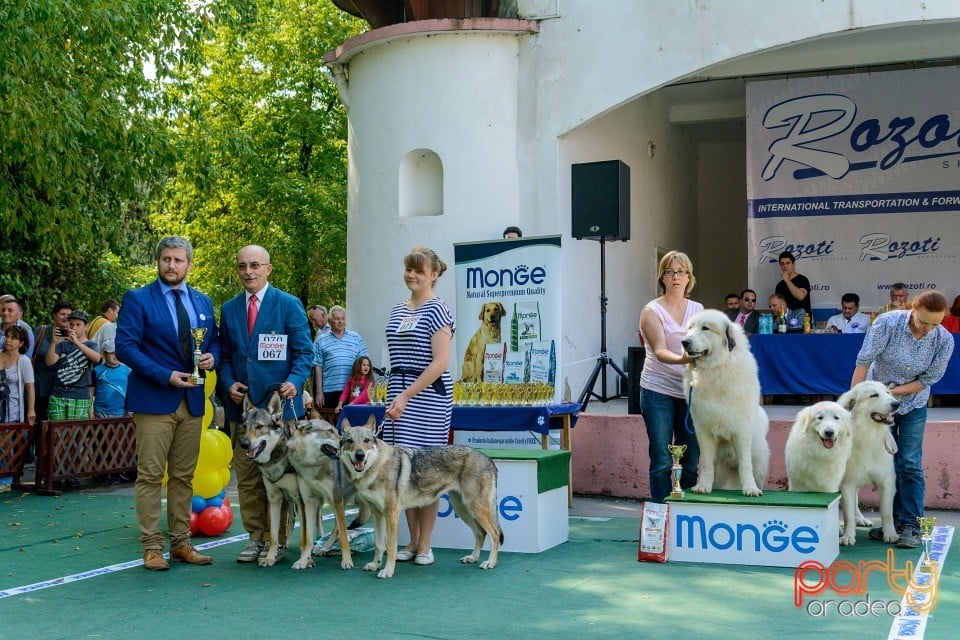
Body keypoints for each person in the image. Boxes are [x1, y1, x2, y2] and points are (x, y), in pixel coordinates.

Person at [115, 235, 220, 571]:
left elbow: (215, 344)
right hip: (154, 398)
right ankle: (151, 547)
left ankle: (181, 544)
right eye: (166, 259)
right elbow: (126, 348)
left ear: (189, 264)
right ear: (158, 261)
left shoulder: (203, 302)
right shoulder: (138, 299)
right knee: (149, 476)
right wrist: (165, 375)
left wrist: (211, 359)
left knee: (183, 477)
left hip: (192, 400)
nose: (171, 265)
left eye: (178, 260)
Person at [218, 244, 313, 564]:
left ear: (268, 269)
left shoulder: (288, 305)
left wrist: (295, 382)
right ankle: (255, 538)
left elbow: (304, 354)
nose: (249, 271)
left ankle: (280, 539)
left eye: (255, 265)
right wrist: (228, 382)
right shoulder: (229, 308)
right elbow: (226, 356)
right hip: (242, 410)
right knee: (246, 477)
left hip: (281, 413)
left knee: (281, 476)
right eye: (243, 266)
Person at [852, 290, 954, 549]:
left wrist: (891, 394)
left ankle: (911, 524)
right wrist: (855, 400)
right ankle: (891, 524)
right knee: (884, 464)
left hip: (912, 404)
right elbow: (863, 362)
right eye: (923, 322)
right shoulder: (887, 323)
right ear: (913, 310)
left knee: (909, 462)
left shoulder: (943, 340)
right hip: (877, 405)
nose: (929, 329)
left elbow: (927, 380)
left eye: (936, 323)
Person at [383, 246, 455, 566]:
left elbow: (440, 363)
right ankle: (411, 542)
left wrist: (406, 396)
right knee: (402, 473)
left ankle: (426, 544)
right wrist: (395, 396)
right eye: (408, 269)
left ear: (434, 275)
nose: (411, 275)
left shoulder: (439, 310)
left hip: (426, 397)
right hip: (397, 393)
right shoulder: (398, 309)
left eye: (419, 271)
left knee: (426, 473)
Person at [638, 250, 703, 503]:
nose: (676, 276)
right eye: (669, 271)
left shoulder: (698, 309)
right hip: (657, 390)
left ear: (689, 277)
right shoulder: (651, 311)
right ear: (662, 277)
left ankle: (684, 509)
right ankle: (660, 513)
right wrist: (685, 359)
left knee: (691, 459)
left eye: (681, 271)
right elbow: (661, 350)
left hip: (690, 391)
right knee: (663, 459)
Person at [91, 324, 132, 485]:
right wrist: (90, 408)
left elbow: (131, 391)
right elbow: (91, 391)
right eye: (110, 353)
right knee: (100, 443)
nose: (114, 356)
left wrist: (130, 408)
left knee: (117, 444)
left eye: (116, 353)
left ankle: (116, 472)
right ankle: (100, 473)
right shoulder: (98, 371)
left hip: (120, 412)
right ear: (104, 354)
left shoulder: (127, 370)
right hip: (101, 412)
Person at [45, 310, 101, 420]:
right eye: (71, 324)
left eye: (78, 325)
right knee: (56, 433)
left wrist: (77, 343)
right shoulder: (62, 344)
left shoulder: (91, 344)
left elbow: (97, 359)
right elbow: (49, 362)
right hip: (58, 394)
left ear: (86, 326)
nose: (74, 328)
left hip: (80, 395)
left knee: (76, 434)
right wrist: (53, 342)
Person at [0, 325, 35, 491]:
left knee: (7, 443)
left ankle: (6, 479)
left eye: (13, 338)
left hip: (12, 407)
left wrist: (31, 410)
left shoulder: (24, 361)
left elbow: (30, 387)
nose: (8, 340)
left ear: (21, 342)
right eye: (7, 336)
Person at [313, 305, 368, 410]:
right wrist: (319, 392)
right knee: (330, 424)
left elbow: (365, 363)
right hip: (329, 390)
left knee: (352, 423)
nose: (340, 321)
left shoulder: (356, 338)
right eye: (337, 319)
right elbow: (317, 367)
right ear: (330, 321)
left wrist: (365, 388)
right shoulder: (321, 340)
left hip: (353, 390)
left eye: (342, 318)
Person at [32, 300, 75, 422]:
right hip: (38, 388)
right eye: (62, 314)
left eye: (69, 315)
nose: (66, 317)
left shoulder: (74, 335)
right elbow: (28, 354)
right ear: (54, 315)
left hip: (61, 391)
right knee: (37, 424)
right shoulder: (41, 331)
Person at [774, 251, 811, 329]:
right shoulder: (779, 285)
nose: (785, 266)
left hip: (803, 323)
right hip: (785, 324)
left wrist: (787, 280)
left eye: (788, 263)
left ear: (793, 264)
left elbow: (800, 296)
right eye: (782, 264)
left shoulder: (802, 279)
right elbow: (778, 306)